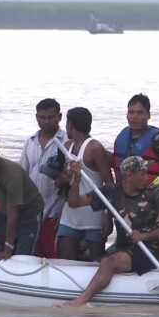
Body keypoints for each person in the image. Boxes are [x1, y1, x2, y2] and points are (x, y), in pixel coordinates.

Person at [60, 155, 159, 307]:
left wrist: (144, 236)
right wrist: (76, 180)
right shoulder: (112, 192)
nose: (147, 177)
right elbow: (74, 203)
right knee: (99, 260)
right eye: (143, 173)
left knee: (109, 262)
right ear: (130, 176)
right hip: (124, 247)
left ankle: (82, 300)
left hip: (148, 250)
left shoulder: (153, 195)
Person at [111, 93, 159, 246]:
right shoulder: (122, 136)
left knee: (151, 243)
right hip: (125, 201)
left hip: (151, 202)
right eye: (131, 112)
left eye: (139, 112)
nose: (134, 117)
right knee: (125, 241)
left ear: (148, 115)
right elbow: (117, 163)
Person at [56, 107, 115, 261]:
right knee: (65, 259)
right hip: (70, 214)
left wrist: (109, 218)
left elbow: (110, 184)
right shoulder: (67, 146)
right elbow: (59, 182)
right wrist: (65, 177)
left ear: (70, 125)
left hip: (93, 215)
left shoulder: (94, 148)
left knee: (96, 261)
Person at [19, 98, 69, 259]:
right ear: (36, 117)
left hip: (56, 212)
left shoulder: (67, 141)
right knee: (31, 257)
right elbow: (22, 175)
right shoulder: (30, 141)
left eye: (50, 117)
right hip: (32, 212)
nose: (46, 121)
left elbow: (73, 180)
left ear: (59, 117)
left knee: (54, 258)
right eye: (42, 117)